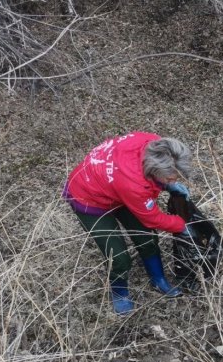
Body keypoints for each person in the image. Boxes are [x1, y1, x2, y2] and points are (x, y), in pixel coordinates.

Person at [63, 132, 194, 315]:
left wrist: (166, 185)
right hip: (88, 197)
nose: (175, 181)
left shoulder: (154, 143)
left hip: (116, 187)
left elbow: (147, 216)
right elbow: (152, 218)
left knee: (147, 238)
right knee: (118, 257)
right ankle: (119, 293)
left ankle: (158, 279)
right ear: (154, 171)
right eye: (171, 178)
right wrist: (181, 225)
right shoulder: (134, 184)